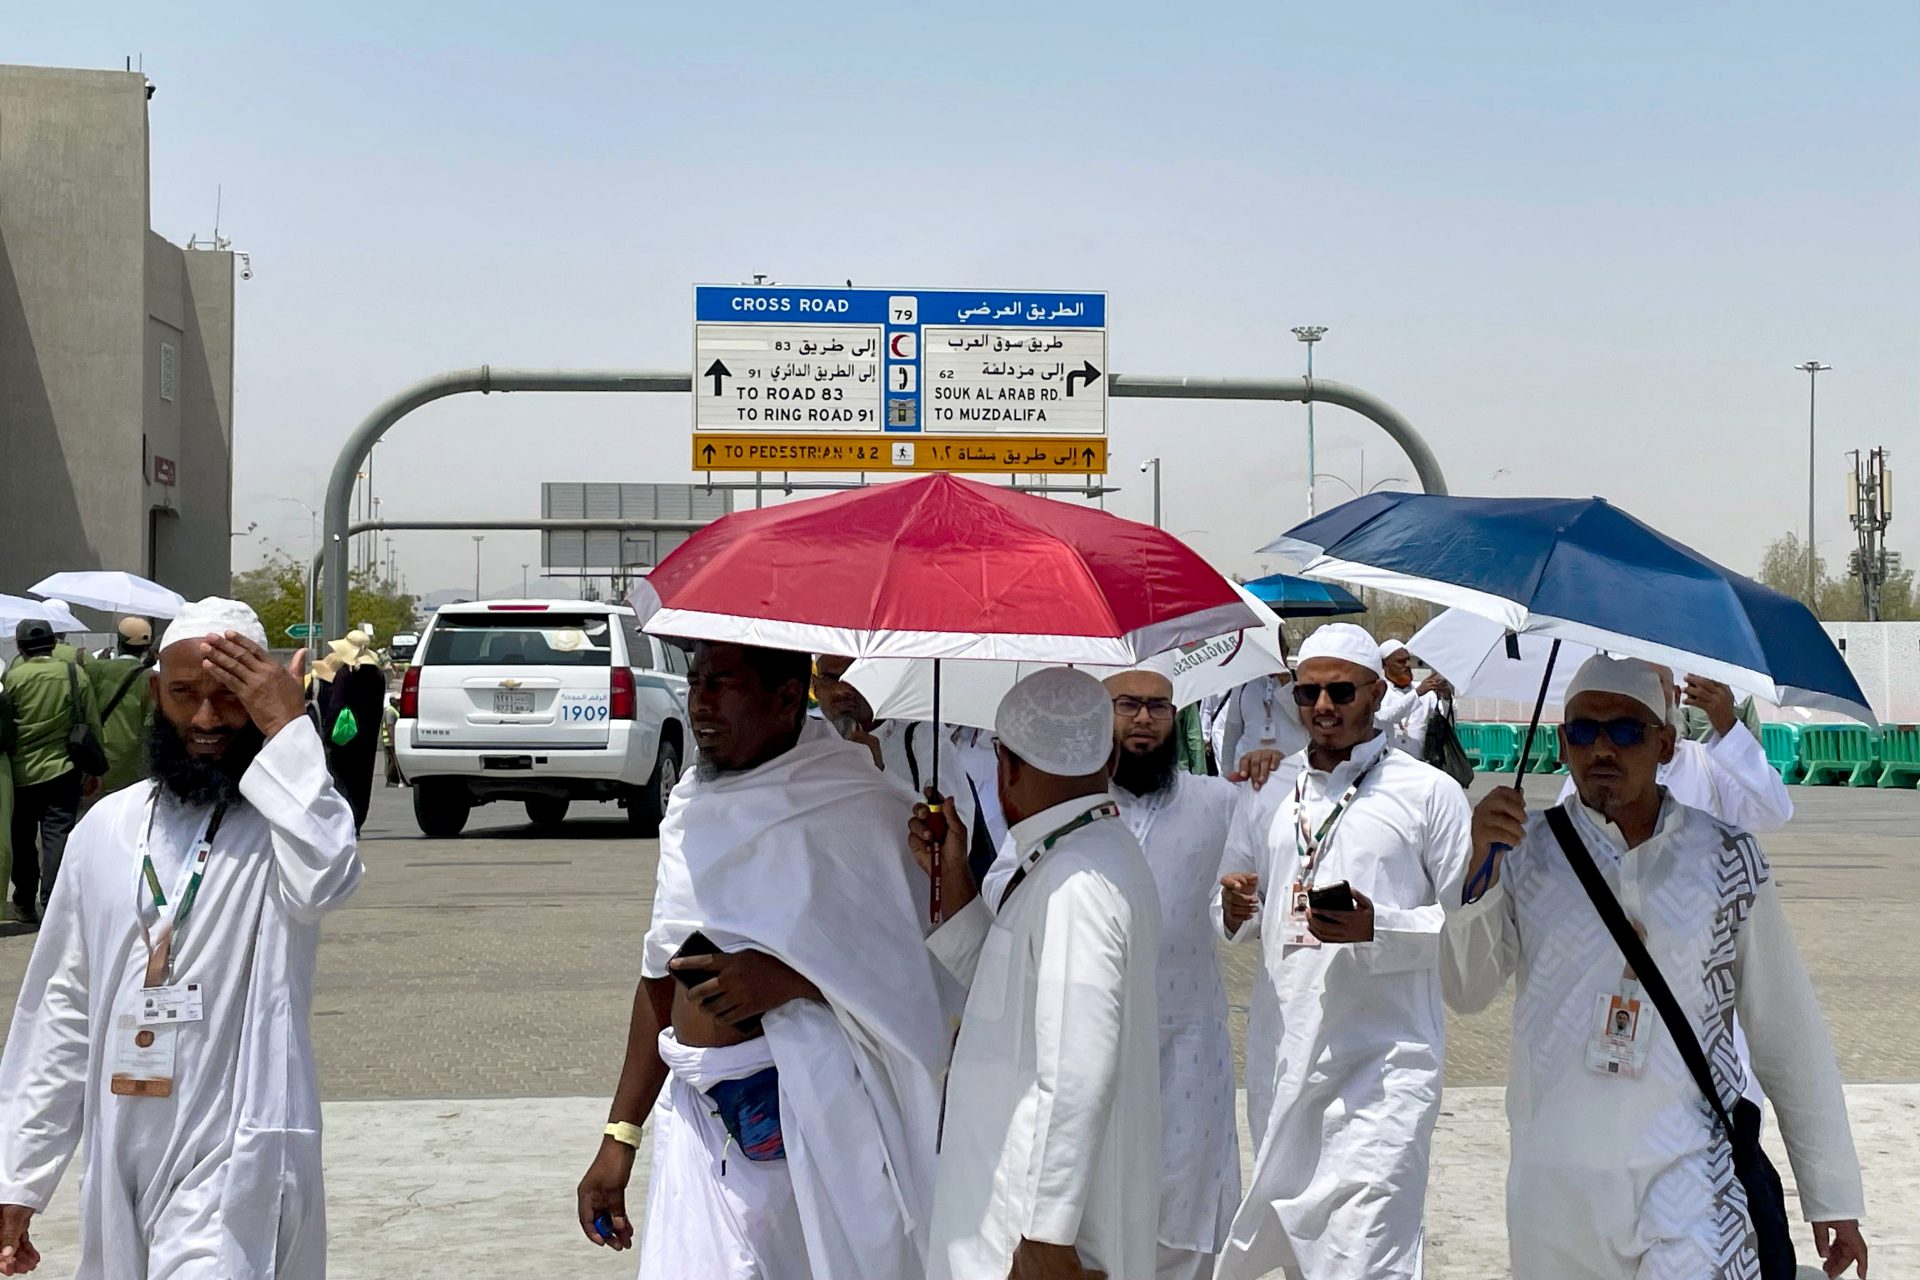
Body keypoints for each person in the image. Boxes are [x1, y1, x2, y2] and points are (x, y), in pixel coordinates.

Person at [1445, 654, 1868, 1280]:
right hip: (1554, 1188)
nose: (1603, 749)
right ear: (1562, 744)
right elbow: (1466, 989)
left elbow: (1787, 1029)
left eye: (1626, 730)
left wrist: (1832, 1194)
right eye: (1585, 731)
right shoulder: (1523, 851)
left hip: (1687, 1172)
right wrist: (1475, 872)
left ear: (1666, 743)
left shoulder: (1727, 857)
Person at [0, 597, 363, 1279]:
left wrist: (288, 727)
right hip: (122, 1146)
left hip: (234, 1151)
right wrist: (18, 1175)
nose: (204, 719)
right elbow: (61, 1006)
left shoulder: (285, 826)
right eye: (184, 694)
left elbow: (329, 879)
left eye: (231, 697)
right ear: (152, 693)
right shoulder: (106, 829)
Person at [577, 641, 949, 1280]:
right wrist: (620, 1136)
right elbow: (659, 974)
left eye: (722, 684)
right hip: (701, 1124)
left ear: (785, 696)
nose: (699, 704)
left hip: (814, 1128)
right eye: (696, 683)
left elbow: (923, 984)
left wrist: (794, 981)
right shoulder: (694, 799)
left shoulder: (864, 804)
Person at [1213, 622, 1472, 1280]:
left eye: (1340, 691)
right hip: (1286, 1057)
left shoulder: (1429, 794)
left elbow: (1467, 931)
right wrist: (1232, 908)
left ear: (1378, 692)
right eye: (1308, 693)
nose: (1323, 706)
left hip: (1386, 1064)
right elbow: (1230, 901)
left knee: (1368, 1250)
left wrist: (1377, 927)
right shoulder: (1268, 790)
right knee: (1299, 1253)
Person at [911, 666, 1161, 1280]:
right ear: (1106, 758)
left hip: (1026, 1229)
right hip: (1004, 1205)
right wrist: (954, 882)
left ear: (1006, 768)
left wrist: (1047, 1233)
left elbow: (1078, 1065)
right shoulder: (1071, 858)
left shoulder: (1078, 882)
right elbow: (1012, 995)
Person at [1103, 670, 1239, 1280]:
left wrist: (1236, 911)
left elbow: (1233, 898)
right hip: (1094, 1038)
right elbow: (1009, 888)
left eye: (1157, 706)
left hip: (1189, 1041)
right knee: (1096, 1203)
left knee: (1187, 1195)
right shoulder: (1070, 801)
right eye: (1127, 705)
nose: (1142, 719)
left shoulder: (1219, 801)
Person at [812, 654, 994, 878]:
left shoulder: (921, 738)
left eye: (853, 677)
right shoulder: (806, 745)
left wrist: (879, 776)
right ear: (816, 687)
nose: (842, 690)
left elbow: (954, 847)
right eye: (831, 679)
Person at [1557, 666, 1792, 835]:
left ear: (1676, 696)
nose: (1639, 694)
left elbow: (1774, 813)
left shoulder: (1707, 765)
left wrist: (1728, 728)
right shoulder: (1596, 771)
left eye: (1653, 682)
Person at [5, 620, 102, 922]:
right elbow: (91, 722)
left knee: (21, 839)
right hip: (64, 769)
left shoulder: (13, 677)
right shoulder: (75, 673)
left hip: (20, 772)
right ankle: (53, 903)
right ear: (53, 643)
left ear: (20, 647)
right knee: (57, 836)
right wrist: (95, 768)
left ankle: (23, 901)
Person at [316, 631, 387, 832]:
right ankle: (357, 821)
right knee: (362, 780)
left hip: (344, 735)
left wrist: (327, 734)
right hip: (368, 736)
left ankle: (344, 824)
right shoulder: (378, 676)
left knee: (341, 778)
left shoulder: (346, 674)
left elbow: (336, 706)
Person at [86, 617, 158, 799]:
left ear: (119, 642)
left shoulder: (96, 669)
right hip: (133, 765)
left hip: (97, 759)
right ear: (146, 648)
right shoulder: (151, 678)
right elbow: (151, 724)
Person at [1212, 664, 1307, 772]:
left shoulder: (1301, 682)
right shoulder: (1243, 685)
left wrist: (1286, 686)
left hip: (1293, 773)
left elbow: (1305, 721)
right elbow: (1232, 735)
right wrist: (1227, 776)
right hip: (1248, 777)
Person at [1375, 638, 1450, 758]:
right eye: (1401, 661)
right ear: (1384, 665)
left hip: (1418, 764)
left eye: (1408, 659)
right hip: (1388, 764)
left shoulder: (1424, 690)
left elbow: (1448, 721)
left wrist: (1446, 697)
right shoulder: (1378, 691)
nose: (1408, 665)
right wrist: (1416, 694)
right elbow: (1386, 716)